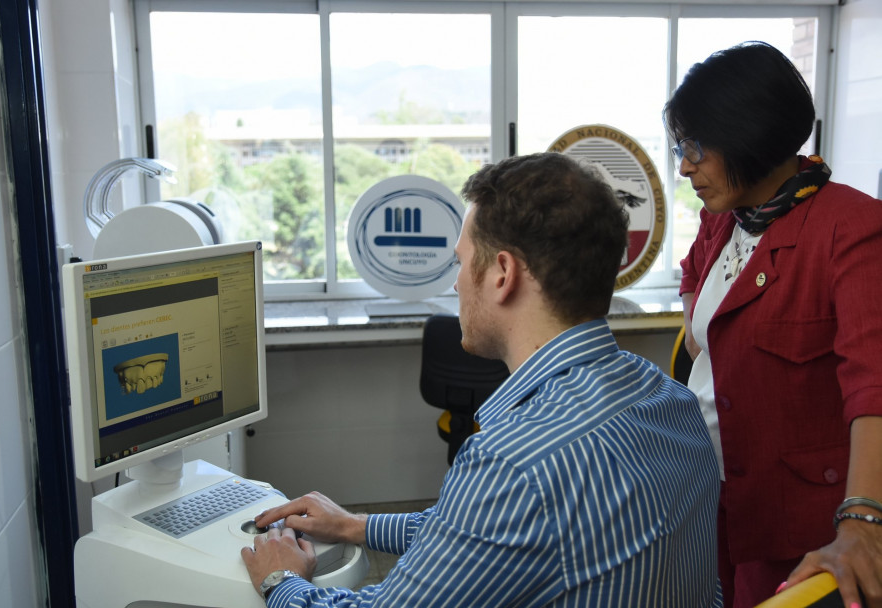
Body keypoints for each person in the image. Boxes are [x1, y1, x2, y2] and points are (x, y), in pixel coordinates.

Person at [241, 152, 722, 607]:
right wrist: (357, 526)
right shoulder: (671, 399)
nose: (455, 283)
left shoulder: (516, 462)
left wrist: (281, 580)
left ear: (502, 273)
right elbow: (487, 532)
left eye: (461, 261)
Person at [665, 41, 882, 608]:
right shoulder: (724, 220)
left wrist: (862, 521)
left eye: (695, 147)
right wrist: (697, 320)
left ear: (748, 134)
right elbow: (692, 274)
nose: (684, 165)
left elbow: (873, 388)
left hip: (796, 517)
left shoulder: (853, 229)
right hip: (710, 492)